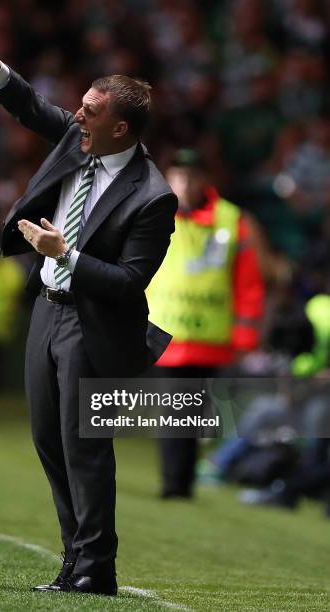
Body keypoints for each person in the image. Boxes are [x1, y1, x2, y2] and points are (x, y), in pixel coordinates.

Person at [0, 47, 177, 596]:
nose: (76, 115)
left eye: (90, 110)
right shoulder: (78, 138)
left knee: (85, 447)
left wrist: (65, 255)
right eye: (80, 106)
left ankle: (94, 567)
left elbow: (130, 281)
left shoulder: (154, 196)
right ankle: (75, 557)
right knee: (47, 440)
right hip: (46, 312)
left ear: (120, 128)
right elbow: (33, 108)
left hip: (92, 323)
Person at [146, 149, 264, 499]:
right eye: (179, 175)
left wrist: (245, 331)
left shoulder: (231, 220)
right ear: (169, 178)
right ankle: (174, 484)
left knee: (195, 415)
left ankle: (183, 482)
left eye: (192, 175)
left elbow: (248, 282)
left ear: (205, 180)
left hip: (211, 337)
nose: (185, 183)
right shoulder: (152, 211)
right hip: (166, 333)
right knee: (174, 412)